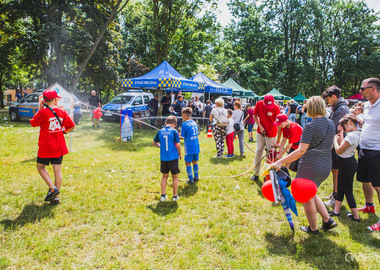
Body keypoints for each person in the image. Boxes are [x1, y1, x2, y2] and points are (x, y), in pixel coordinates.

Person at [271, 96, 337, 234]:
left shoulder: (310, 126)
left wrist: (280, 161)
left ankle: (313, 228)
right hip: (325, 164)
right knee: (312, 192)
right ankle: (327, 220)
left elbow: (301, 150)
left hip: (310, 165)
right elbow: (330, 146)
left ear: (311, 108)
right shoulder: (331, 124)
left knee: (306, 196)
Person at [30, 89, 76, 205]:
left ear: (44, 101)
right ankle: (56, 198)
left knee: (40, 167)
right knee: (57, 169)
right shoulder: (61, 111)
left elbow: (33, 123)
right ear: (55, 100)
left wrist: (40, 109)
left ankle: (52, 188)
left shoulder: (43, 112)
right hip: (59, 146)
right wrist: (63, 132)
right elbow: (71, 126)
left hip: (46, 146)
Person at [355, 78, 380, 231]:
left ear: (373, 89)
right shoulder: (366, 105)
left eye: (362, 88)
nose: (360, 91)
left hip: (377, 150)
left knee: (378, 184)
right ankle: (369, 205)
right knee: (364, 179)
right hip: (364, 148)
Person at [322, 86, 350, 207]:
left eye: (328, 99)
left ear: (334, 96)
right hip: (336, 142)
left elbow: (333, 126)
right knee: (335, 170)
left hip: (339, 143)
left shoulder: (341, 109)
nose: (327, 102)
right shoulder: (337, 107)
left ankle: (336, 196)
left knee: (336, 171)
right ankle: (335, 193)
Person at [330, 114, 360, 221]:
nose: (344, 129)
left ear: (350, 123)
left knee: (348, 191)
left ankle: (356, 216)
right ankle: (336, 211)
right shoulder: (354, 134)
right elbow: (343, 144)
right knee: (341, 188)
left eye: (344, 126)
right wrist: (341, 133)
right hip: (345, 164)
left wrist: (334, 139)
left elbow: (338, 150)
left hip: (347, 165)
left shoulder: (351, 136)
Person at [251, 94, 280, 181]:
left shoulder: (276, 108)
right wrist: (259, 126)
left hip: (271, 133)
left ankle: (267, 176)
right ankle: (256, 173)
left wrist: (277, 141)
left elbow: (279, 125)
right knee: (259, 150)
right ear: (263, 102)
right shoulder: (259, 104)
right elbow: (254, 116)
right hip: (261, 132)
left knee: (270, 154)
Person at [152, 116, 181, 202]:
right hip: (173, 157)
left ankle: (163, 195)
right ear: (173, 124)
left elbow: (154, 143)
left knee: (164, 176)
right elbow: (178, 145)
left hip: (163, 158)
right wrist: (180, 152)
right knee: (175, 176)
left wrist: (160, 147)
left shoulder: (160, 131)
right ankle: (175, 196)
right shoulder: (174, 131)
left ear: (165, 123)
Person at [180, 107, 200, 184]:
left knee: (187, 162)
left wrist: (176, 136)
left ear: (184, 114)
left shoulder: (184, 124)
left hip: (189, 147)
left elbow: (182, 137)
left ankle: (191, 179)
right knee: (195, 161)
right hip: (196, 145)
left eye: (182, 114)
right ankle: (196, 176)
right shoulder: (194, 122)